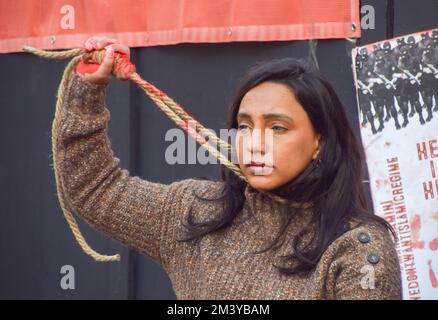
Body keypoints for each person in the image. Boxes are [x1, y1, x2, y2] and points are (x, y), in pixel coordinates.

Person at [54, 35, 402, 299]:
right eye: (245, 127)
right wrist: (87, 88)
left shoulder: (358, 248)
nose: (254, 142)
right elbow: (96, 188)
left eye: (278, 128)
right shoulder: (195, 212)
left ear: (319, 143)